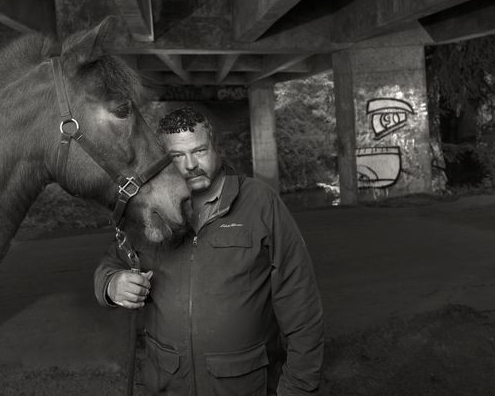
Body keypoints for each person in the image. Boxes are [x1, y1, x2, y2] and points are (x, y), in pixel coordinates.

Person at [94, 106, 324, 395]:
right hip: (166, 383)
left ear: (216, 147)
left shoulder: (260, 203)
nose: (190, 164)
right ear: (162, 161)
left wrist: (298, 388)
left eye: (199, 150)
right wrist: (113, 285)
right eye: (177, 156)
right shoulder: (148, 209)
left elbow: (301, 303)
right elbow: (111, 263)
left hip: (244, 384)